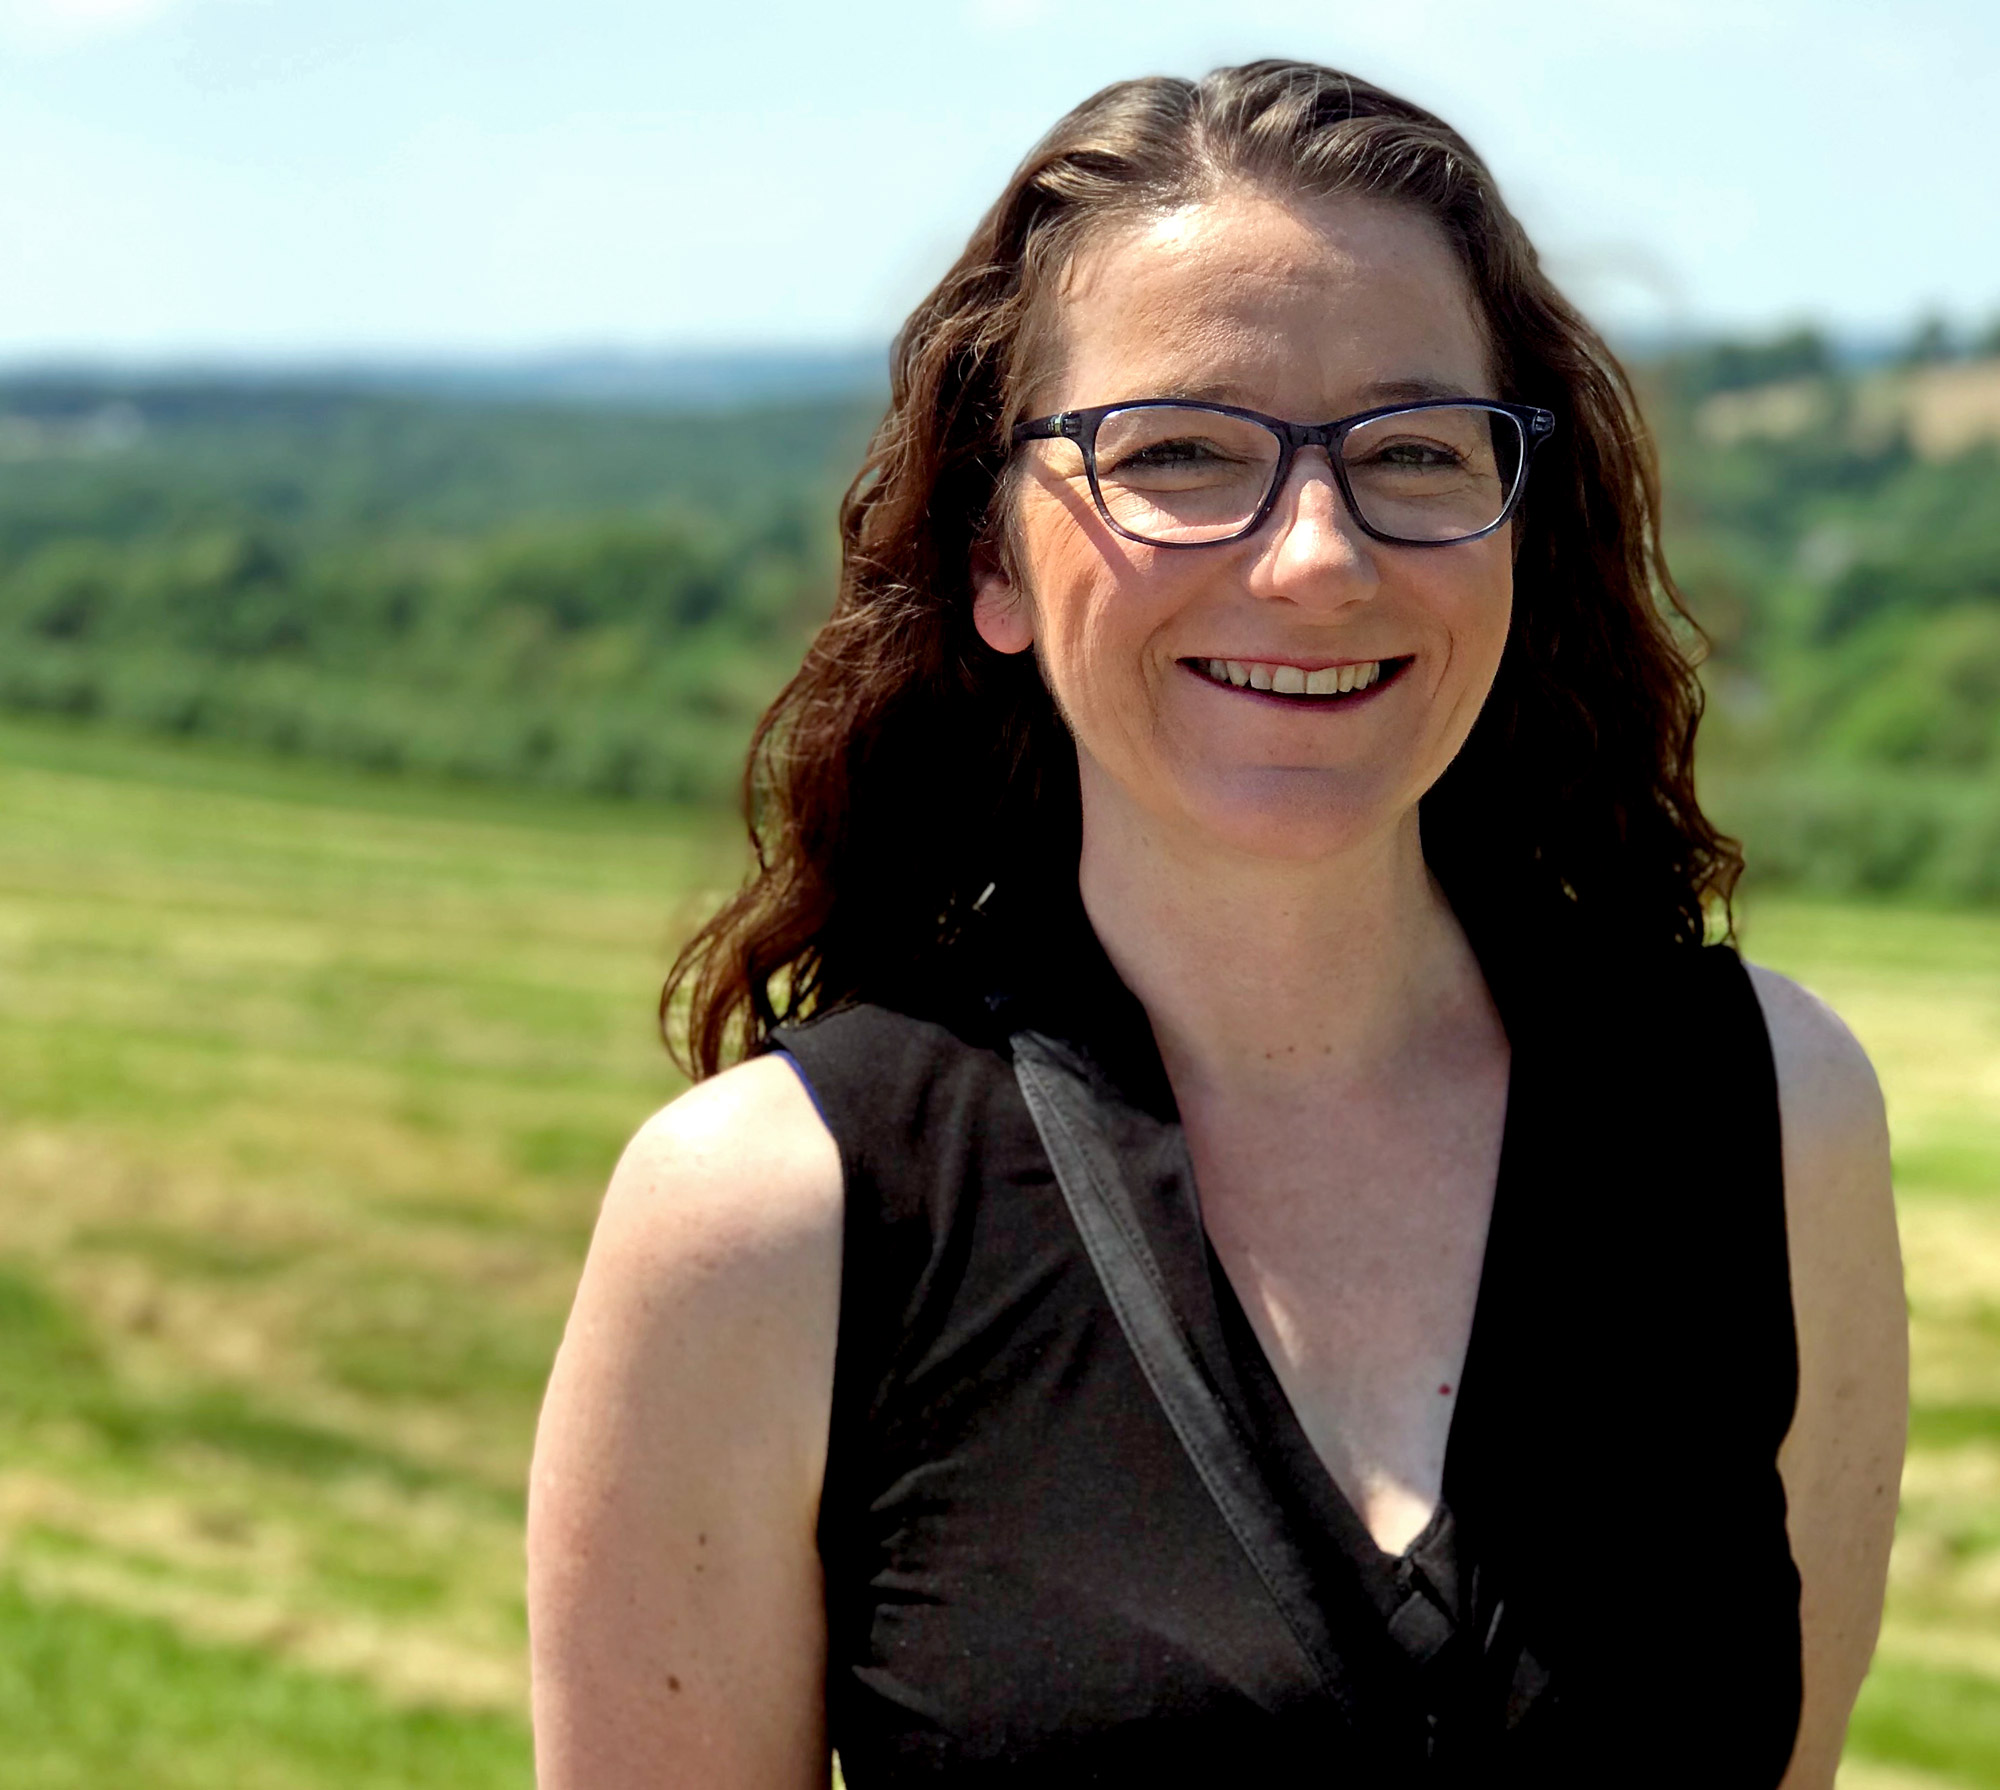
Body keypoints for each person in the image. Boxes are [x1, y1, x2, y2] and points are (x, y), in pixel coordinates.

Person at [526, 61, 1906, 1788]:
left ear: (1517, 526)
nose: (1318, 556)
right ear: (994, 560)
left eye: (1411, 450)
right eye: (1178, 452)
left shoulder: (1770, 1115)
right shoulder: (765, 1224)